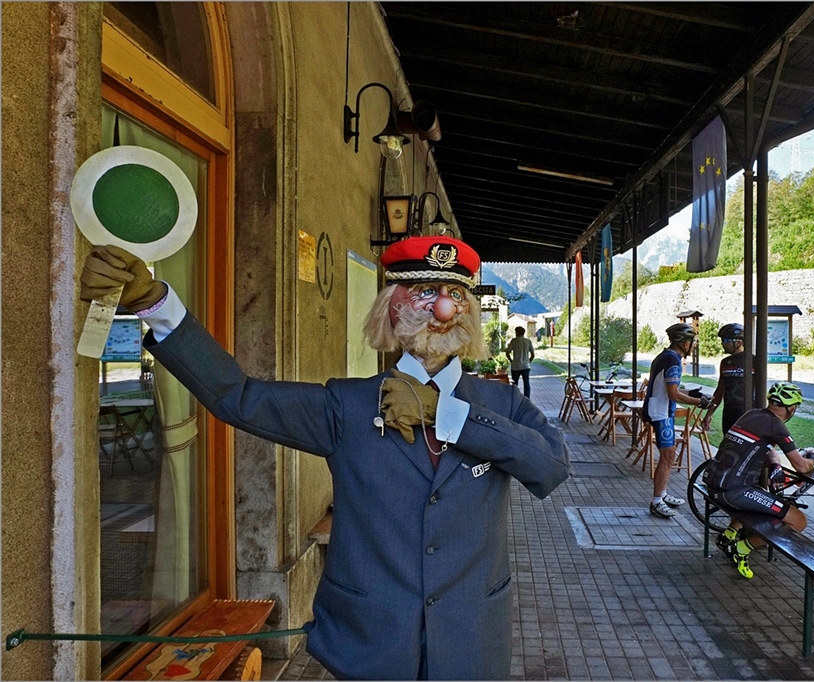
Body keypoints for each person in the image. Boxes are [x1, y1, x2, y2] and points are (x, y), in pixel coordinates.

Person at [79, 236, 570, 681]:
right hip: (369, 646)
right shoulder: (346, 406)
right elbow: (238, 397)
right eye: (421, 290)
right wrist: (157, 305)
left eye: (451, 292)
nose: (440, 305)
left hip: (472, 643)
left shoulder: (501, 406)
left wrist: (450, 416)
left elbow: (550, 466)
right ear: (390, 308)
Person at [702, 382, 814, 579]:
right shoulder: (777, 426)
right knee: (798, 521)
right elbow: (801, 466)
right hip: (732, 491)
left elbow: (768, 449)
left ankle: (729, 534)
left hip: (713, 483)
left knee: (758, 492)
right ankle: (741, 548)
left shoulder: (752, 414)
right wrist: (813, 458)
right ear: (792, 408)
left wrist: (775, 464)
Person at [642, 323, 711, 519]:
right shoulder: (673, 361)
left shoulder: (666, 356)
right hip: (662, 413)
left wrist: (692, 393)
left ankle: (661, 494)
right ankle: (656, 501)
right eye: (692, 342)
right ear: (684, 342)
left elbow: (669, 389)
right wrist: (699, 402)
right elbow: (673, 394)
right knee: (667, 457)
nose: (694, 346)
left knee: (668, 456)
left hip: (659, 409)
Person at [703, 323, 754, 436]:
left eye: (726, 340)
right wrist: (709, 414)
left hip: (749, 414)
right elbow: (720, 390)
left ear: (739, 342)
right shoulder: (725, 363)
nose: (722, 343)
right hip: (729, 414)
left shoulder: (753, 361)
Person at [504, 325, 535, 398]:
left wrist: (511, 361)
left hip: (516, 366)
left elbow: (507, 352)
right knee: (526, 384)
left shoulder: (514, 341)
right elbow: (533, 355)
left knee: (515, 384)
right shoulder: (528, 341)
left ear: (517, 332)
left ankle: (515, 398)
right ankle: (527, 399)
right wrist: (528, 362)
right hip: (525, 366)